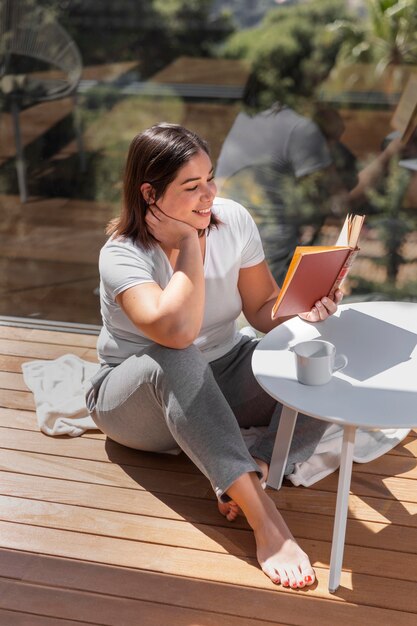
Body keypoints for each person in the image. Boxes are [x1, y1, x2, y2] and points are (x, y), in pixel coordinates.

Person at [85, 123, 343, 590]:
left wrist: (307, 308)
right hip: (134, 400)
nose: (209, 195)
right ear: (150, 194)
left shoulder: (234, 220)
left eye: (210, 178)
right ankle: (266, 521)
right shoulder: (122, 256)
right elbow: (177, 334)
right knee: (178, 356)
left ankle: (258, 465)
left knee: (316, 359)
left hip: (222, 370)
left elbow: (262, 312)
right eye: (191, 186)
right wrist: (187, 244)